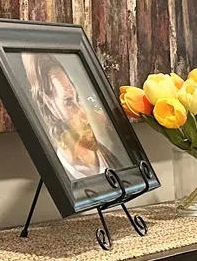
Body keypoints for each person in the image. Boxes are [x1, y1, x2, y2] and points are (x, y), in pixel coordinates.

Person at [22, 52, 126, 181]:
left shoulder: (114, 156)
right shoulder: (63, 171)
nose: (82, 113)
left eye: (77, 98)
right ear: (48, 104)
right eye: (68, 102)